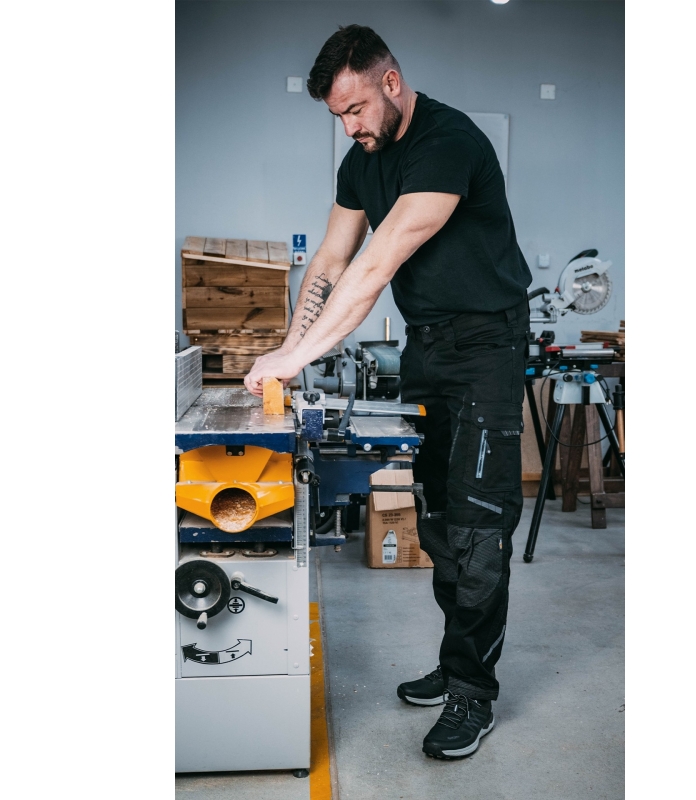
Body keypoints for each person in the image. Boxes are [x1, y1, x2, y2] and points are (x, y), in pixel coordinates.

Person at [244, 24, 532, 760]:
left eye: (356, 108)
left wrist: (297, 355)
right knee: (437, 521)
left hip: (487, 347)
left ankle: (473, 693)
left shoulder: (448, 141)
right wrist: (288, 351)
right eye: (338, 115)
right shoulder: (360, 162)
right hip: (428, 347)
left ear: (391, 82)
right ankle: (457, 660)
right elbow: (331, 261)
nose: (350, 126)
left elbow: (376, 266)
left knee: (477, 532)